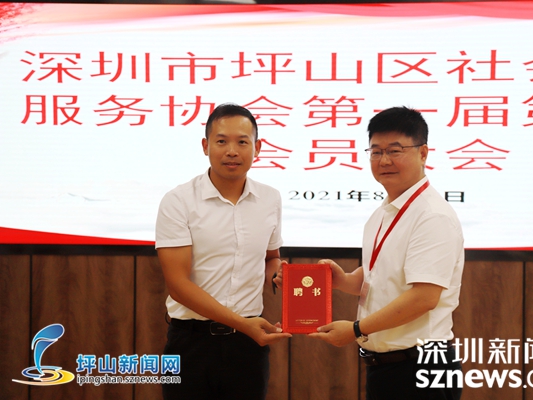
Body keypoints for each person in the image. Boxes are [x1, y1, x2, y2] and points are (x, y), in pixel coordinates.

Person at [309, 107, 464, 399]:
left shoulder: (432, 215)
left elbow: (424, 297)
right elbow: (380, 276)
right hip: (388, 368)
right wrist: (343, 280)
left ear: (423, 153)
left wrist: (356, 330)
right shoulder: (384, 212)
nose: (384, 160)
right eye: (376, 151)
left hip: (421, 367)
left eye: (395, 150)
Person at [155, 103, 292, 400]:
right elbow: (178, 285)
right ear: (205, 146)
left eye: (242, 142)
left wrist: (278, 274)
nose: (232, 151)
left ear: (257, 148)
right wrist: (243, 325)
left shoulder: (270, 199)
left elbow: (271, 257)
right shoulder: (179, 201)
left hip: (248, 347)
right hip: (190, 343)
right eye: (221, 141)